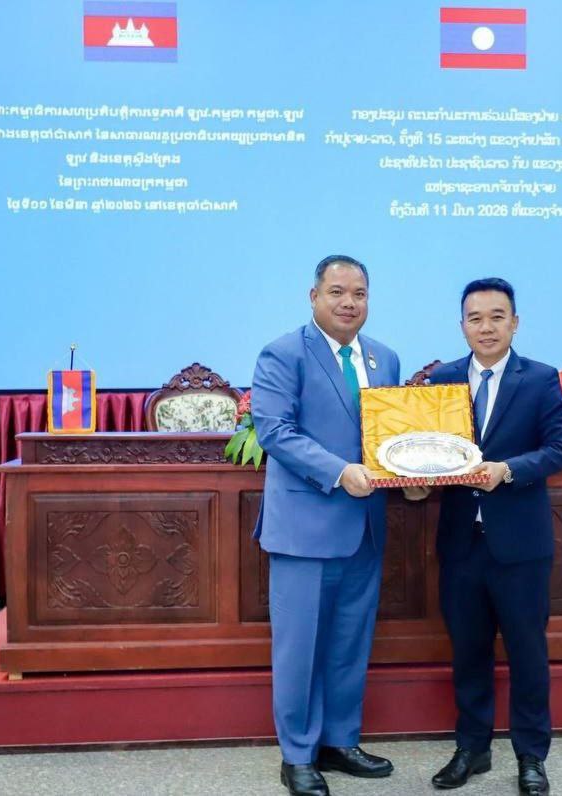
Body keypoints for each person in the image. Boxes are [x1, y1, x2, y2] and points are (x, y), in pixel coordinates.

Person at [251, 255, 401, 796]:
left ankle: (340, 741)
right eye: (337, 291)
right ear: (313, 296)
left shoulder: (385, 358)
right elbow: (275, 431)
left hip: (365, 527)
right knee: (300, 650)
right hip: (305, 530)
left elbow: (392, 438)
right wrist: (339, 471)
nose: (348, 302)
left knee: (348, 644)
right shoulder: (283, 353)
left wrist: (413, 475)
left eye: (359, 293)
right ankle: (297, 755)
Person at [426, 278, 562, 795]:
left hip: (520, 545)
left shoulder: (540, 379)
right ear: (462, 325)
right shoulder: (441, 379)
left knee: (528, 653)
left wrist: (508, 470)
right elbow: (425, 448)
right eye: (475, 318)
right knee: (468, 651)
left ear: (515, 322)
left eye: (496, 317)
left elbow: (560, 450)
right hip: (461, 542)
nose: (485, 327)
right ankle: (472, 748)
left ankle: (531, 755)